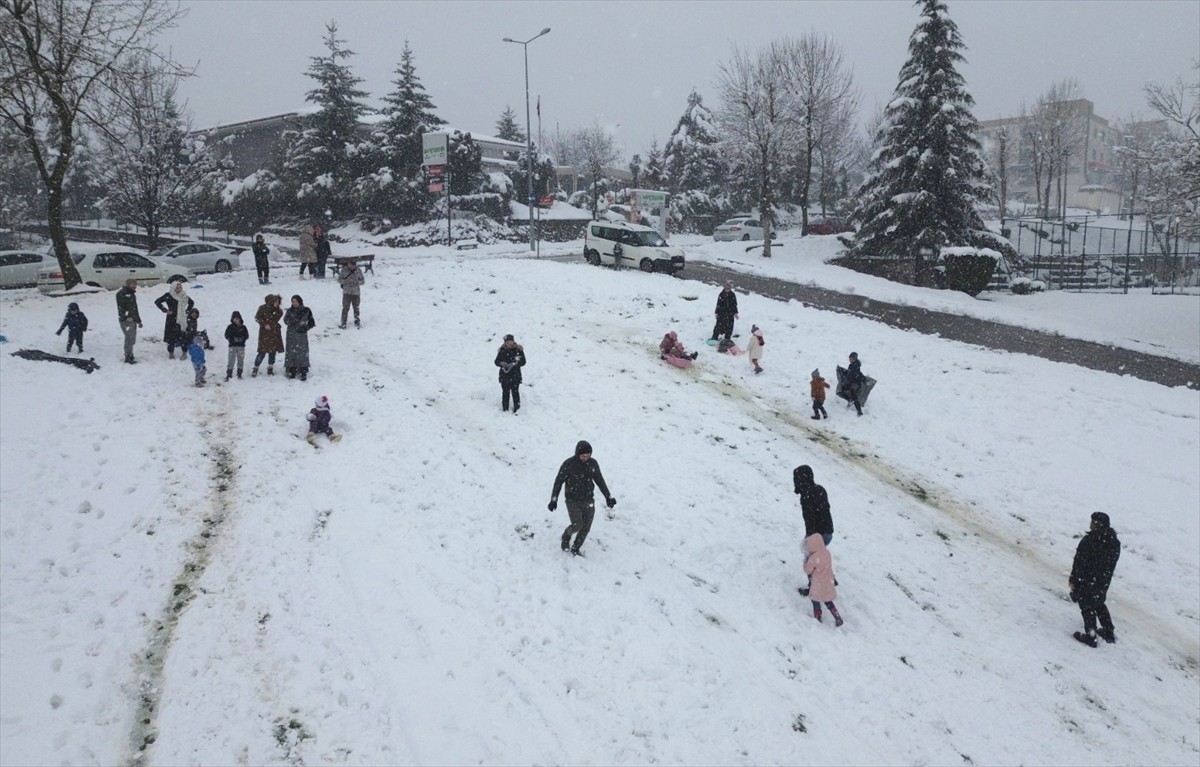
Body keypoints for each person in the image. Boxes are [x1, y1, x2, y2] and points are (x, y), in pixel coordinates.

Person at [548, 440, 616, 556]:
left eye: (588, 456)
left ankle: (576, 547)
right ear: (577, 454)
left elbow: (600, 480)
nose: (585, 458)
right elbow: (558, 482)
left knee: (586, 527)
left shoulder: (593, 464)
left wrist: (608, 497)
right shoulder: (569, 464)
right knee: (577, 524)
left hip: (588, 499)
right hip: (572, 500)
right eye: (583, 456)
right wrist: (554, 499)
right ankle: (566, 536)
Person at [1070, 512, 1121, 647]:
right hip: (1103, 581)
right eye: (1092, 522)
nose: (1092, 525)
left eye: (1095, 523)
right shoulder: (1113, 542)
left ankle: (1090, 636)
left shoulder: (1089, 541)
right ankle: (1108, 631)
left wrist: (1074, 579)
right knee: (1098, 602)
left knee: (1086, 605)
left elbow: (1079, 562)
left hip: (1087, 580)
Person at [794, 464, 834, 597]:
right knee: (820, 556)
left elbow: (810, 518)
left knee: (810, 562)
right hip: (828, 531)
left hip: (817, 534)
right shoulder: (819, 489)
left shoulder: (806, 495)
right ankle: (828, 576)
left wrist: (810, 537)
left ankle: (814, 588)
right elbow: (824, 510)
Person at [803, 534, 843, 627]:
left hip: (818, 584)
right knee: (828, 600)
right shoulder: (827, 552)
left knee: (815, 600)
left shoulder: (813, 558)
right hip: (828, 581)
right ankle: (837, 616)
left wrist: (805, 563)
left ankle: (818, 616)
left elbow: (808, 570)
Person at [154, 281, 194, 360]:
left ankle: (184, 353)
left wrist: (186, 311)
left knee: (183, 337)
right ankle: (171, 353)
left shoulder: (184, 295)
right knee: (171, 338)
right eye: (177, 288)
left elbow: (191, 303)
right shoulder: (169, 295)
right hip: (171, 319)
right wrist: (165, 310)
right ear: (173, 288)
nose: (179, 289)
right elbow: (157, 302)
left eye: (180, 288)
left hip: (181, 318)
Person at [283, 294, 315, 380]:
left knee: (302, 353)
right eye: (293, 302)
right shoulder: (289, 311)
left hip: (301, 335)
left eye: (296, 301)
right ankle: (292, 370)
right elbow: (285, 320)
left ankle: (303, 371)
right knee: (291, 352)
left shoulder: (306, 310)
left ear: (299, 301)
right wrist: (292, 321)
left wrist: (306, 327)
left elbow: (311, 322)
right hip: (291, 334)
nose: (294, 303)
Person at [252, 294, 284, 377]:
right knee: (261, 352)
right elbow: (257, 318)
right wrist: (264, 324)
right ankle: (255, 368)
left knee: (272, 352)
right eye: (275, 301)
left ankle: (270, 368)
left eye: (278, 302)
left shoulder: (278, 311)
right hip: (264, 334)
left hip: (274, 333)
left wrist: (276, 309)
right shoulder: (262, 308)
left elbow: (277, 317)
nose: (277, 303)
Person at [494, 333, 527, 414]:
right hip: (504, 375)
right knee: (505, 392)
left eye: (511, 341)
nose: (509, 343)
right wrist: (502, 364)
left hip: (515, 375)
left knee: (515, 392)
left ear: (513, 341)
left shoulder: (518, 350)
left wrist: (514, 364)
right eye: (508, 342)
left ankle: (517, 409)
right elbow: (496, 361)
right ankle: (505, 409)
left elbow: (523, 362)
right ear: (505, 342)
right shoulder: (502, 350)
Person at [116, 279, 143, 364]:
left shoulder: (131, 294)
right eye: (132, 284)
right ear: (128, 284)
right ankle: (128, 355)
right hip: (126, 320)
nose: (134, 285)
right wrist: (126, 317)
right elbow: (120, 308)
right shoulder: (122, 294)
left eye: (135, 284)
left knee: (132, 339)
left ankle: (129, 353)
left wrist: (138, 321)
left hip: (133, 319)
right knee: (129, 338)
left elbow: (134, 309)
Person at [337, 257, 364, 329]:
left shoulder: (358, 271)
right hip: (347, 292)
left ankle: (357, 321)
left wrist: (357, 282)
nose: (352, 266)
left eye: (353, 265)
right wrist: (346, 281)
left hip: (356, 292)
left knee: (356, 308)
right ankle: (343, 322)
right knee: (345, 308)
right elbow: (339, 280)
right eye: (351, 265)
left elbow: (363, 281)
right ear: (348, 264)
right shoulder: (344, 270)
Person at [224, 311, 249, 381]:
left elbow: (246, 336)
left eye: (238, 319)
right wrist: (232, 339)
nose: (236, 320)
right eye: (235, 319)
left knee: (240, 360)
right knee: (231, 360)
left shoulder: (243, 327)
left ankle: (239, 373)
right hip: (232, 346)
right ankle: (229, 373)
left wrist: (242, 339)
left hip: (241, 346)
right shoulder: (230, 327)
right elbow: (226, 335)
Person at [845, 352, 867, 416]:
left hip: (855, 383)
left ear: (855, 359)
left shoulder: (854, 366)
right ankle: (851, 401)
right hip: (853, 382)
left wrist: (863, 379)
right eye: (850, 358)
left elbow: (857, 373)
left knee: (853, 396)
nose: (850, 360)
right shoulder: (853, 365)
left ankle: (859, 411)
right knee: (851, 394)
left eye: (852, 359)